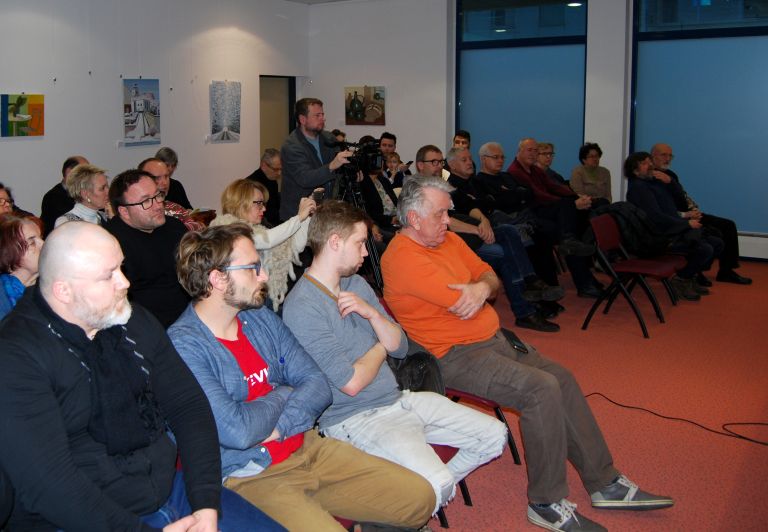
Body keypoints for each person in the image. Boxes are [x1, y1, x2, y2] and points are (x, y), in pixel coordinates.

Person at [381, 176, 674, 532]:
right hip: (454, 355)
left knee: (562, 378)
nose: (448, 220)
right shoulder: (402, 257)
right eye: (441, 214)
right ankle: (546, 503)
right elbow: (463, 300)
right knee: (540, 389)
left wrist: (481, 288)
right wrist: (479, 289)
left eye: (448, 212)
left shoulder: (448, 239)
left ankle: (604, 482)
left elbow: (490, 277)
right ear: (414, 218)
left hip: (493, 339)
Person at [0, 221, 281, 531]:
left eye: (121, 267)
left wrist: (205, 502)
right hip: (81, 518)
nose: (124, 282)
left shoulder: (131, 320)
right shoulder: (16, 357)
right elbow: (48, 483)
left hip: (169, 491)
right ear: (63, 290)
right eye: (108, 275)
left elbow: (188, 406)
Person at [169, 223, 436, 531]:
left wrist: (281, 426)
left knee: (421, 498)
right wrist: (285, 390)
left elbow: (317, 384)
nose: (264, 276)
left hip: (306, 446)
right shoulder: (184, 346)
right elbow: (239, 431)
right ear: (217, 279)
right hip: (251, 474)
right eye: (253, 268)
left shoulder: (259, 317)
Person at [283, 200, 507, 513]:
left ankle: (415, 495)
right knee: (439, 483)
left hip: (397, 399)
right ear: (334, 242)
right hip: (355, 419)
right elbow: (351, 383)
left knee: (495, 435)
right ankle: (420, 496)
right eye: (359, 243)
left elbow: (400, 346)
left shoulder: (355, 283)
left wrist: (373, 315)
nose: (366, 252)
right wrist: (380, 343)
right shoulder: (303, 306)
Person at [439, 146, 562, 331]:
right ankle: (526, 307)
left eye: (469, 158)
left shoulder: (471, 182)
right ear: (452, 165)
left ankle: (531, 284)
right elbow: (451, 219)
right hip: (464, 239)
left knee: (513, 233)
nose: (470, 162)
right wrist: (479, 225)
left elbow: (476, 205)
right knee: (508, 252)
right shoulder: (447, 186)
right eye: (464, 160)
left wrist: (483, 219)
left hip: (482, 229)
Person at [624, 152, 723, 301]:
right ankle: (681, 279)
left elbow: (678, 202)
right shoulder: (638, 188)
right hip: (657, 237)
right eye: (644, 163)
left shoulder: (655, 182)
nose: (650, 165)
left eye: (650, 161)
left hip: (670, 228)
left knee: (717, 242)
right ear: (635, 171)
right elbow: (655, 217)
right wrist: (686, 223)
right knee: (705, 248)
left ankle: (689, 276)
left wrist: (671, 183)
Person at [651, 143, 751, 285]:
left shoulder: (670, 175)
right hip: (676, 217)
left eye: (670, 156)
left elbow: (681, 199)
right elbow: (664, 207)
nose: (667, 159)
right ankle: (696, 272)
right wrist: (686, 214)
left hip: (687, 212)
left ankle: (726, 271)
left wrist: (691, 209)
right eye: (663, 155)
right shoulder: (650, 177)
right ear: (653, 156)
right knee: (712, 233)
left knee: (727, 225)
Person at [209, 178, 316, 310]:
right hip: (244, 300)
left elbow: (295, 246)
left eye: (263, 203)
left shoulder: (260, 230)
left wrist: (307, 216)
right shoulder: (227, 230)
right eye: (258, 203)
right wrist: (299, 217)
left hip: (264, 296)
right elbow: (267, 240)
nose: (264, 208)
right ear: (240, 203)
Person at [105, 169, 190, 328]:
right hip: (146, 327)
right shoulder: (110, 244)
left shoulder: (175, 228)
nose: (158, 205)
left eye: (158, 195)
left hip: (190, 317)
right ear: (124, 211)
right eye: (145, 201)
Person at [280, 98, 353, 221]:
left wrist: (352, 172)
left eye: (322, 114)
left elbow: (338, 171)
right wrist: (332, 166)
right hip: (299, 215)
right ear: (303, 119)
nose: (322, 119)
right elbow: (305, 178)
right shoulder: (291, 146)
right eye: (317, 115)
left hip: (325, 211)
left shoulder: (328, 138)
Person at [139, 158, 206, 231]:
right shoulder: (138, 211)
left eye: (166, 176)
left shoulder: (175, 207)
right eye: (157, 178)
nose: (165, 183)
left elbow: (198, 228)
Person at [0, 215, 44, 320]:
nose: (43, 244)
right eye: (32, 243)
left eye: (41, 238)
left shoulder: (49, 285)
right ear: (8, 253)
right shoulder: (3, 298)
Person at [40, 155, 88, 236]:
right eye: (85, 172)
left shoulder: (86, 192)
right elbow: (75, 223)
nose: (89, 176)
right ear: (69, 173)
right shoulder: (53, 197)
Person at [246, 148, 283, 226]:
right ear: (264, 165)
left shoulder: (272, 180)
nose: (279, 173)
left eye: (281, 169)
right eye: (275, 169)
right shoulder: (251, 184)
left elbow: (275, 207)